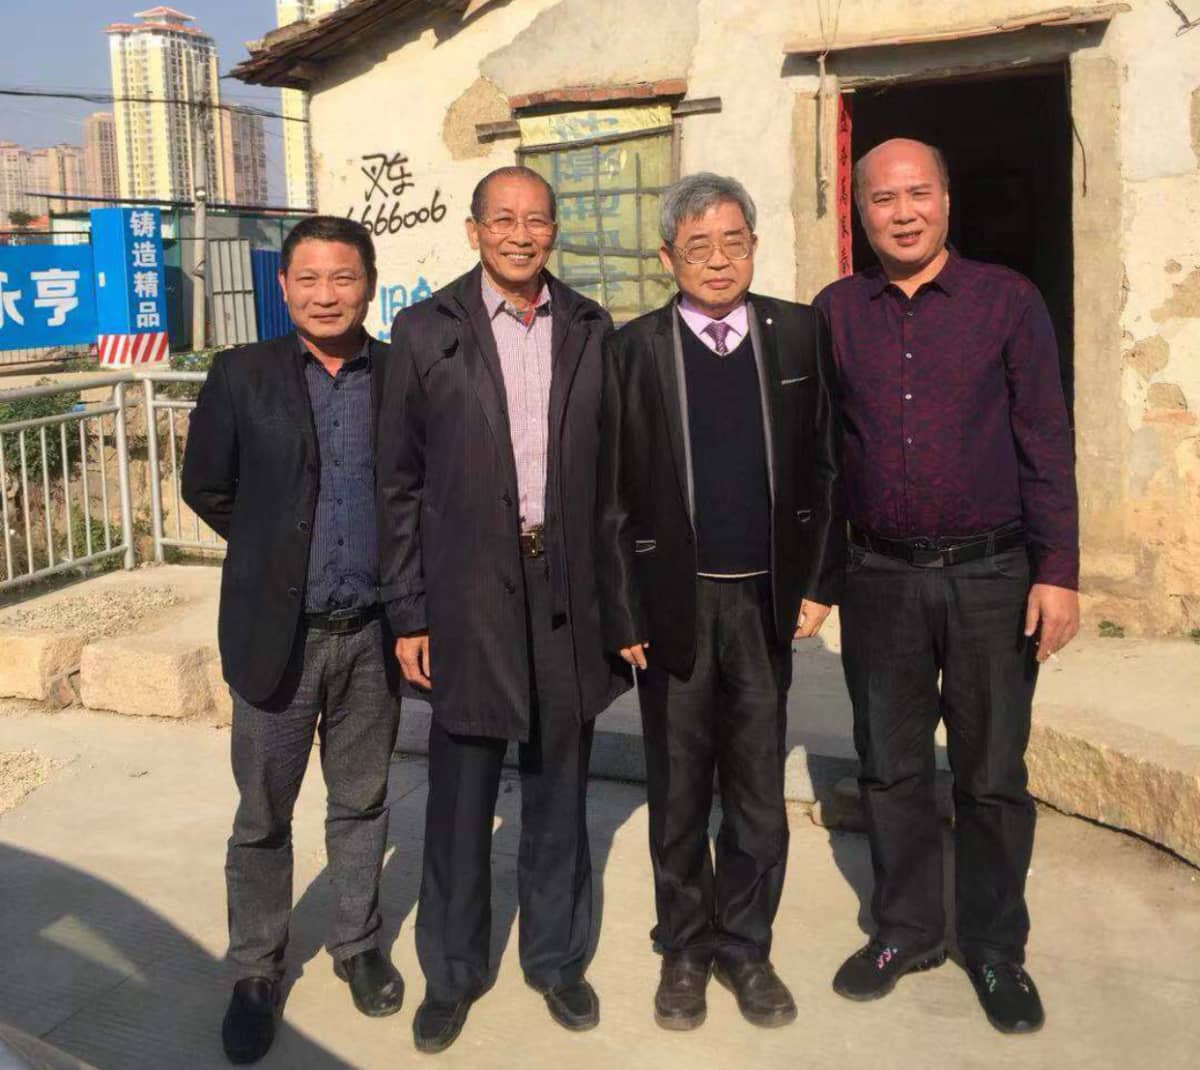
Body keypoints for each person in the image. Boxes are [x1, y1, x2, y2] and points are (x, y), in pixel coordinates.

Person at [814, 138, 1080, 1034]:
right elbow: (824, 453)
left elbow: (1045, 438)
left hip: (993, 575)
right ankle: (906, 930)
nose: (903, 213)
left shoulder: (1008, 301)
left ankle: (995, 946)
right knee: (890, 766)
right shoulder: (837, 312)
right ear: (860, 212)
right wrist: (821, 574)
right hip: (880, 576)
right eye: (882, 198)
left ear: (947, 200)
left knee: (992, 774)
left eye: (918, 193)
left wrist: (1058, 571)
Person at [375, 165, 630, 1054]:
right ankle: (453, 974)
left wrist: (620, 608)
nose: (522, 235)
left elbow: (615, 485)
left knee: (561, 790)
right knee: (460, 797)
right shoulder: (425, 329)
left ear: (554, 230)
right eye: (504, 220)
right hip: (465, 597)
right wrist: (409, 611)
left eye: (537, 220)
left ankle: (557, 960)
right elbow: (398, 484)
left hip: (566, 594)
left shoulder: (590, 327)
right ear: (475, 230)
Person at [596, 173, 844, 1031]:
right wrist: (624, 611)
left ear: (754, 246)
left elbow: (828, 465)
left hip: (765, 604)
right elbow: (611, 495)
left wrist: (820, 582)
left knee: (756, 787)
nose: (717, 261)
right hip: (676, 605)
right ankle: (684, 946)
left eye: (732, 242)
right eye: (697, 246)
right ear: (668, 258)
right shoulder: (636, 350)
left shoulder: (797, 333)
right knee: (677, 787)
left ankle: (745, 946)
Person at [182, 216, 404, 1065]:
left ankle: (357, 943)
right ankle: (255, 969)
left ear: (368, 284)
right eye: (307, 278)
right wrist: (275, 547)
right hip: (277, 635)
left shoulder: (400, 376)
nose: (325, 294)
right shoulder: (241, 374)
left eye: (342, 277)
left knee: (362, 802)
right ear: (283, 287)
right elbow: (207, 486)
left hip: (372, 634)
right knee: (262, 817)